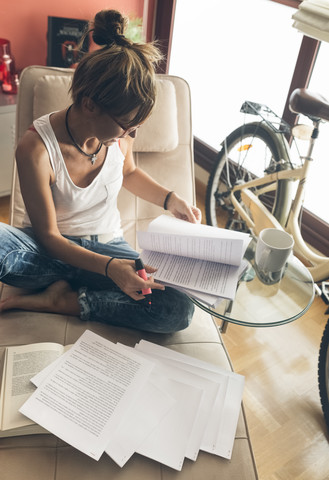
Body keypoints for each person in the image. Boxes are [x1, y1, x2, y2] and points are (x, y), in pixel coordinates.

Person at [0, 9, 201, 333]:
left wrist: (170, 199)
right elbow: (49, 238)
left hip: (108, 244)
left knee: (178, 308)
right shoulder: (36, 149)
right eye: (126, 127)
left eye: (135, 128)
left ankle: (68, 301)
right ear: (90, 104)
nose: (129, 136)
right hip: (48, 253)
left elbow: (130, 172)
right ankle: (70, 289)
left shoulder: (120, 135)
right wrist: (111, 270)